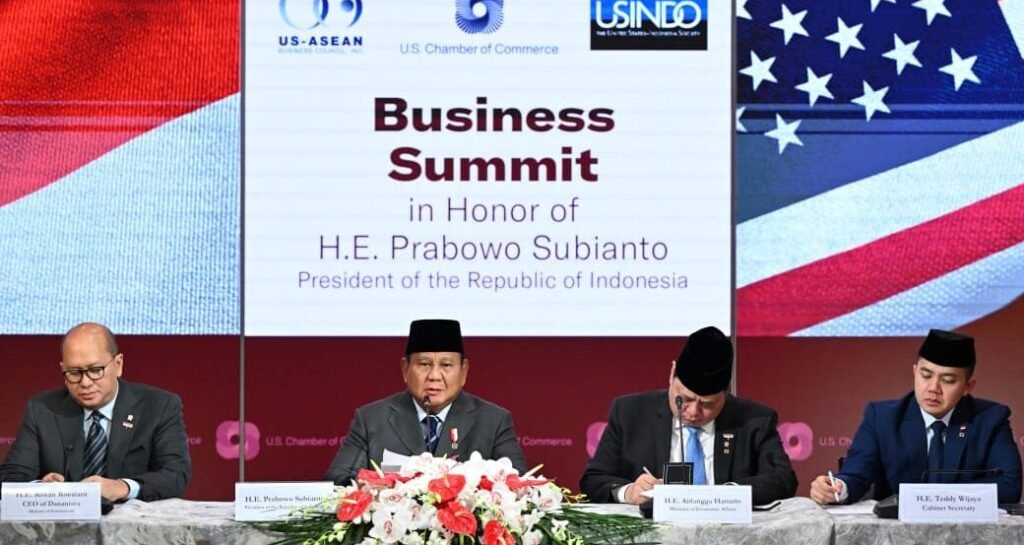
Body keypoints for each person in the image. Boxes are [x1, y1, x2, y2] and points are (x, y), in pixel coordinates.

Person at [580, 326, 798, 506]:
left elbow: (783, 480)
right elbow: (593, 480)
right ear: (672, 374)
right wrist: (629, 492)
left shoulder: (756, 420)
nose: (693, 412)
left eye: (707, 404)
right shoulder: (630, 413)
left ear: (726, 393)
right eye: (684, 399)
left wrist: (728, 495)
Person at [810, 329, 1022, 505]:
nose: (933, 388)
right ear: (914, 372)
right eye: (925, 375)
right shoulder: (882, 418)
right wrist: (837, 488)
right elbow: (856, 475)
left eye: (948, 380)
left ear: (968, 387)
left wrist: (933, 500)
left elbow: (1009, 485)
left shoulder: (990, 420)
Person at [0, 322, 191, 501]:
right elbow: (11, 476)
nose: (85, 382)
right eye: (74, 372)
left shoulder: (159, 406)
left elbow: (175, 474)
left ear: (118, 364)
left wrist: (122, 487)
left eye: (95, 370)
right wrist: (39, 487)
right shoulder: (42, 409)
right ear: (63, 369)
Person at [324, 319, 527, 485]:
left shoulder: (494, 420)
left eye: (446, 365)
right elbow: (337, 480)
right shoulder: (371, 419)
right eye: (424, 364)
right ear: (405, 369)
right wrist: (368, 485)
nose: (434, 376)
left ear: (464, 371)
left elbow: (518, 482)